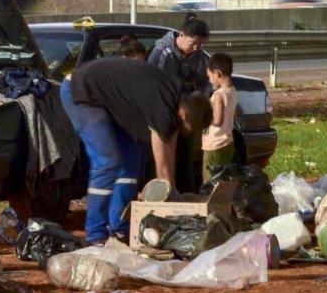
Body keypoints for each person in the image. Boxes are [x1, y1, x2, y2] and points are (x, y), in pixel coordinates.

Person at [61, 58, 211, 244]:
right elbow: (162, 170)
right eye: (187, 128)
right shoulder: (162, 106)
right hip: (82, 92)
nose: (184, 133)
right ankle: (96, 233)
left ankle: (121, 227)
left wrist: (173, 190)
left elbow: (169, 148)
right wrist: (173, 208)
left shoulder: (178, 98)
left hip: (109, 101)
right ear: (183, 115)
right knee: (107, 161)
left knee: (131, 163)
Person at [147, 12, 212, 193]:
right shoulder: (162, 53)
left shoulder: (200, 56)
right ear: (181, 35)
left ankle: (186, 194)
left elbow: (206, 83)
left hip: (187, 114)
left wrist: (198, 98)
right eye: (194, 43)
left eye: (201, 44)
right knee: (163, 161)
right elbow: (154, 85)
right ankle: (163, 193)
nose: (197, 47)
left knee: (185, 158)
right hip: (165, 113)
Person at [202, 53, 238, 182]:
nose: (209, 80)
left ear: (217, 74)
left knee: (210, 182)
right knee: (224, 180)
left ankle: (210, 202)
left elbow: (217, 120)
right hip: (228, 142)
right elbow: (234, 115)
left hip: (214, 144)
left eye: (210, 77)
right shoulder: (233, 91)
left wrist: (203, 120)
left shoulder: (218, 95)